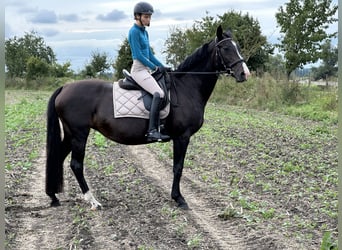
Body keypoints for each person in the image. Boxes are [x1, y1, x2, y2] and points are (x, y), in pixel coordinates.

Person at [128, 2, 170, 142]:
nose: (148, 19)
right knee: (159, 93)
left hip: (146, 69)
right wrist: (154, 67)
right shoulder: (133, 32)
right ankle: (152, 131)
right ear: (137, 16)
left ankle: (162, 125)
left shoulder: (145, 32)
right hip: (139, 70)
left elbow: (150, 55)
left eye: (149, 17)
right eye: (146, 16)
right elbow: (139, 55)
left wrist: (162, 67)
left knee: (165, 85)